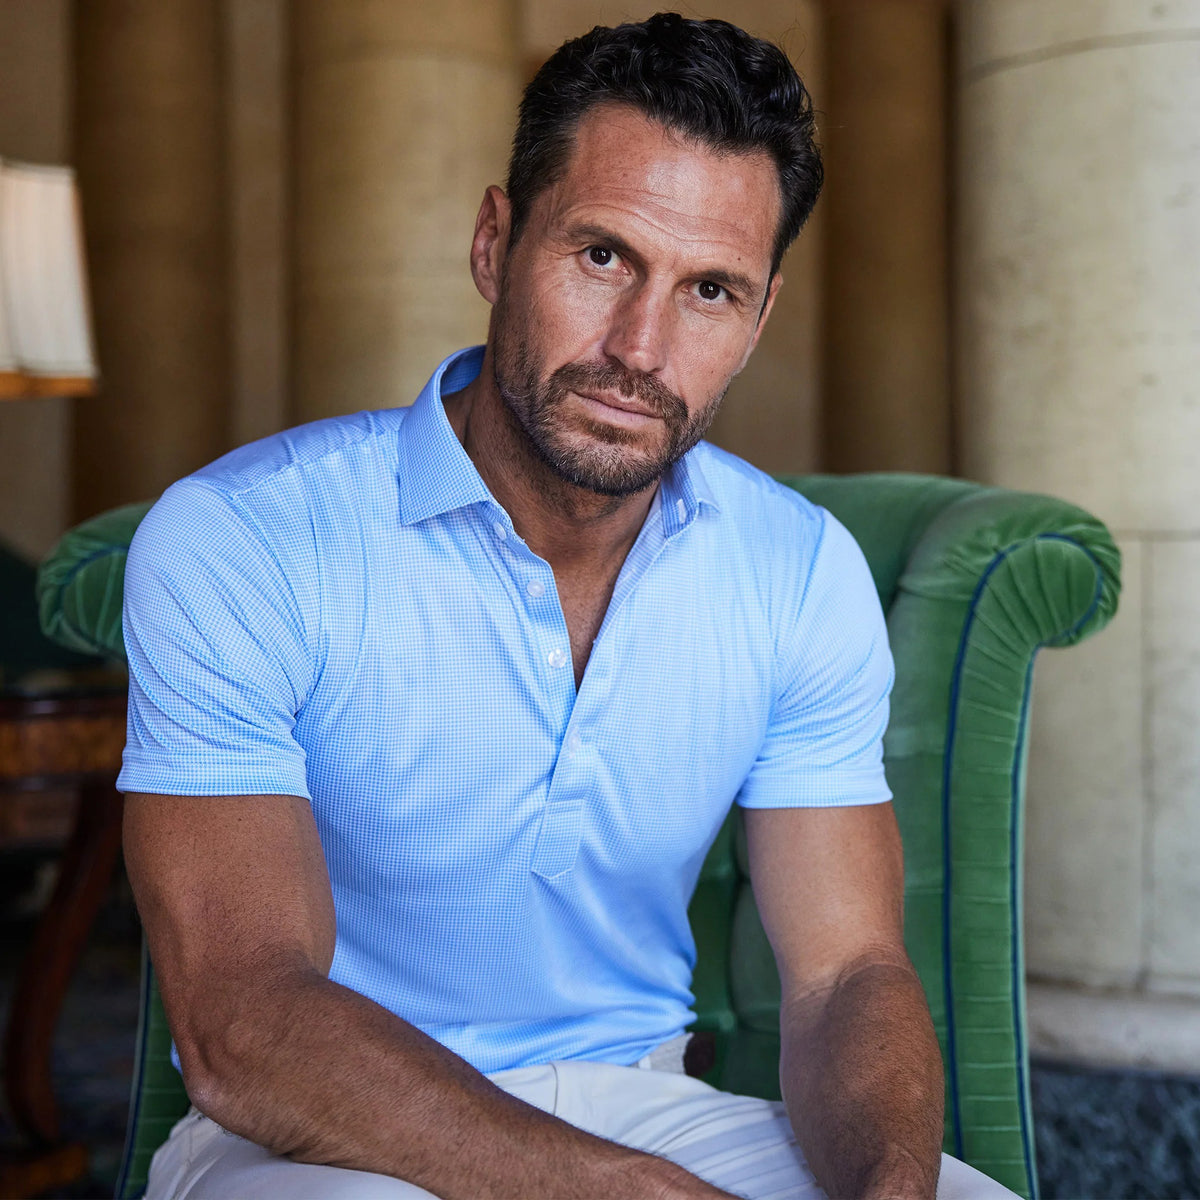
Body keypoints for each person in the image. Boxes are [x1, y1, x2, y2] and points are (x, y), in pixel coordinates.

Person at [119, 13, 1019, 1200]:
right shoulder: (247, 538)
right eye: (602, 257)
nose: (641, 349)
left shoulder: (799, 572)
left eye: (709, 290)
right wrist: (625, 1194)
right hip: (314, 1131)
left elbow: (847, 970)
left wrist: (892, 1188)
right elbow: (247, 1016)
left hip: (648, 1106)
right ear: (497, 243)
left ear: (758, 318)